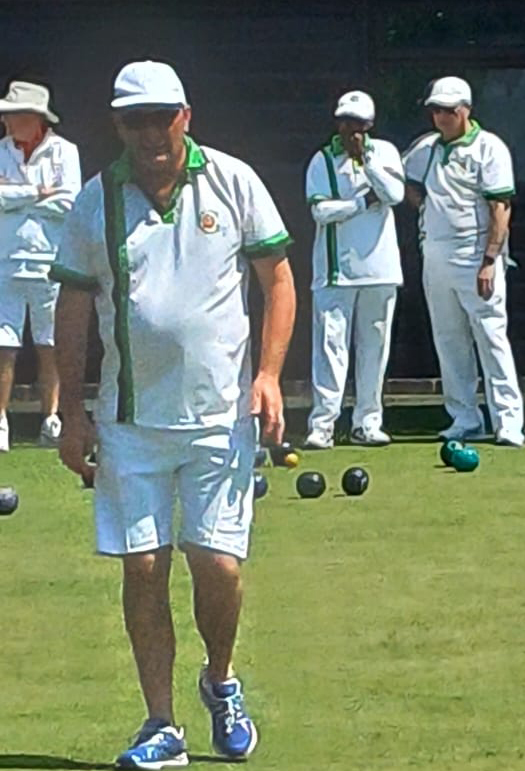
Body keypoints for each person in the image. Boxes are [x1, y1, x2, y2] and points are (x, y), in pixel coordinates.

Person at [51, 60, 296, 768]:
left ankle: (220, 680)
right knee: (144, 567)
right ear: (117, 125)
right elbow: (71, 307)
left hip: (222, 416)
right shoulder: (95, 201)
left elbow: (276, 279)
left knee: (217, 564)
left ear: (185, 115)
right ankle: (160, 721)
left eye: (163, 115)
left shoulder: (233, 180)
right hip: (130, 421)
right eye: (135, 119)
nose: (151, 131)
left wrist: (270, 375)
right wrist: (71, 412)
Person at [402, 76, 525, 446]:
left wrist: (490, 259)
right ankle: (465, 417)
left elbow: (500, 207)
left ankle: (509, 421)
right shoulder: (426, 148)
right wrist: (422, 207)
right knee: (449, 338)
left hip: (476, 255)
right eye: (436, 110)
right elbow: (401, 179)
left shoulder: (490, 148)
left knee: (491, 337)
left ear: (466, 110)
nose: (441, 117)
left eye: (449, 111)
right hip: (436, 254)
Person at [303, 90, 404, 449]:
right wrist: (361, 202)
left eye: (358, 125)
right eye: (346, 123)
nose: (351, 132)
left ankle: (367, 422)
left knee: (374, 348)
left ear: (370, 126)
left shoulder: (386, 153)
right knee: (331, 348)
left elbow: (394, 195)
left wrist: (367, 163)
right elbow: (320, 212)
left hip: (381, 269)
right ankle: (324, 424)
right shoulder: (321, 160)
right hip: (335, 271)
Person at [0, 80, 81, 452]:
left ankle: (52, 419)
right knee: (5, 345)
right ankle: (0, 423)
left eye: (12, 115)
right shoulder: (1, 151)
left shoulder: (66, 152)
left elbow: (70, 203)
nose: (6, 122)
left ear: (33, 119)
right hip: (6, 261)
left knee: (50, 344)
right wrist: (36, 192)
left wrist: (12, 196)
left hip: (50, 261)